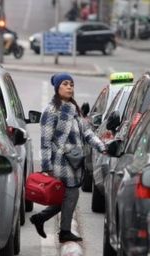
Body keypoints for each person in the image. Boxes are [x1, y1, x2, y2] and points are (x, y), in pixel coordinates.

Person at [30, 73, 107, 243]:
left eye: (72, 84)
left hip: (74, 161)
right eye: (65, 84)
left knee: (65, 197)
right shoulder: (51, 111)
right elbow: (45, 141)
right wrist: (46, 166)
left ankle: (41, 219)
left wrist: (102, 146)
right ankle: (63, 231)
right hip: (60, 162)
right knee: (70, 195)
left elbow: (87, 132)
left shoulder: (74, 109)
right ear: (57, 87)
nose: (70, 87)